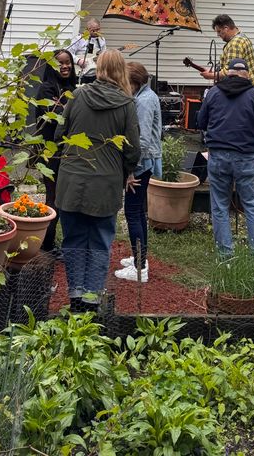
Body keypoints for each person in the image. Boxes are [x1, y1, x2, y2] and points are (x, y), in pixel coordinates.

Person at [55, 49, 140, 309]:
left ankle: (76, 296)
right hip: (106, 182)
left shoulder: (78, 95)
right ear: (121, 71)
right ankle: (92, 298)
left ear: (99, 68)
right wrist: (127, 170)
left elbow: (60, 134)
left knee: (73, 239)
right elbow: (133, 149)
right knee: (100, 240)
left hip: (71, 180)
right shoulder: (126, 104)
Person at [197, 57, 254, 260]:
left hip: (218, 156)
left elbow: (200, 121)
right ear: (246, 75)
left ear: (228, 73)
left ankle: (225, 257)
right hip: (246, 156)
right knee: (253, 205)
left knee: (220, 207)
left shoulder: (213, 93)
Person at [114, 61, 163, 283]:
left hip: (140, 164)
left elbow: (141, 140)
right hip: (145, 162)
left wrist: (131, 170)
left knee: (132, 212)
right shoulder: (147, 95)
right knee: (139, 213)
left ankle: (139, 267)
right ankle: (140, 257)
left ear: (134, 82)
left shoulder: (143, 101)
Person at [35, 49, 78, 253]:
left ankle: (51, 241)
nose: (65, 66)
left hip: (65, 151)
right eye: (60, 63)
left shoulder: (70, 88)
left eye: (68, 62)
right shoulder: (46, 89)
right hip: (49, 151)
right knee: (53, 198)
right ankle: (47, 245)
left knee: (61, 198)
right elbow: (58, 117)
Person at [199, 14, 254, 94]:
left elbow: (231, 72)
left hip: (248, 96)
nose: (218, 35)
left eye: (219, 31)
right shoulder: (242, 37)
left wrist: (210, 76)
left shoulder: (235, 43)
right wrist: (212, 72)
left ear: (226, 28)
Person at [69, 17, 107, 82]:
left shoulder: (102, 40)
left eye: (98, 29)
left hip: (94, 73)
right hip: (79, 72)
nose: (97, 32)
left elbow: (104, 56)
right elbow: (69, 53)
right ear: (87, 29)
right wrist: (78, 61)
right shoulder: (79, 39)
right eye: (94, 30)